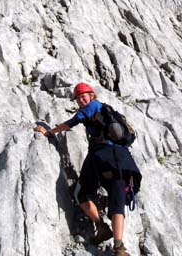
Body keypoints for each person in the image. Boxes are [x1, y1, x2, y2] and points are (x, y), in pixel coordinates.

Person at [34, 82, 141, 256]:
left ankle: (101, 225)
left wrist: (49, 132)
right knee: (118, 200)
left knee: (81, 194)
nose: (81, 100)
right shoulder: (107, 110)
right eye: (79, 98)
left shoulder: (90, 108)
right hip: (123, 160)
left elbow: (70, 123)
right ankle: (119, 247)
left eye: (84, 96)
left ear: (91, 95)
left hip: (100, 156)